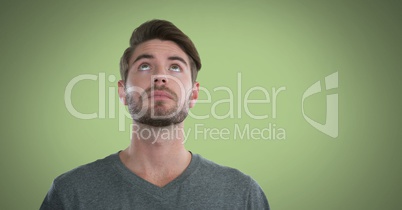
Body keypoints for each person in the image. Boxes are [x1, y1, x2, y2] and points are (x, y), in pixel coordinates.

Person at [40, 19, 270, 210]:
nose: (160, 77)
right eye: (144, 66)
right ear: (122, 91)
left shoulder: (242, 194)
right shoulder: (72, 192)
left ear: (194, 94)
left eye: (175, 67)